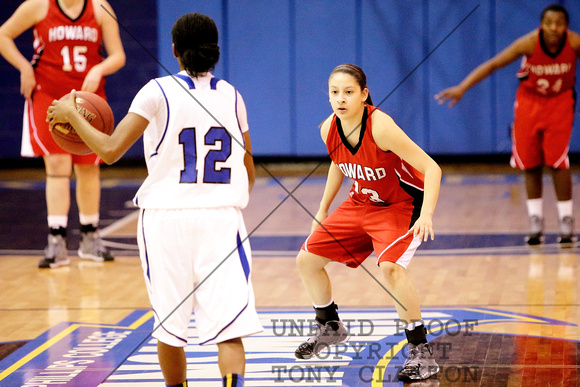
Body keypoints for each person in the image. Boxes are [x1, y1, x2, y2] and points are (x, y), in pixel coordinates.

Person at [48, 12, 262, 387]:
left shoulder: (156, 91)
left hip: (165, 222)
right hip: (221, 220)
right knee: (229, 329)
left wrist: (71, 114)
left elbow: (111, 150)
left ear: (176, 51)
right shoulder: (232, 95)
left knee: (169, 328)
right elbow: (249, 170)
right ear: (215, 51)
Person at [294, 64, 442, 382]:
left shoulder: (381, 126)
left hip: (400, 205)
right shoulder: (328, 128)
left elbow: (432, 168)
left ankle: (421, 352)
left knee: (390, 268)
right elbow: (339, 163)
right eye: (335, 92)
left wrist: (427, 213)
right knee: (307, 259)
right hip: (361, 202)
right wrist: (322, 208)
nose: (340, 99)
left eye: (348, 92)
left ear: (363, 94)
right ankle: (329, 327)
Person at [435, 4, 580, 246]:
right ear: (541, 25)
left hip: (559, 103)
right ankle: (536, 222)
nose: (553, 28)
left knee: (558, 161)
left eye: (559, 23)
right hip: (529, 103)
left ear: (566, 26)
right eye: (548, 23)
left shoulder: (574, 43)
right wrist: (462, 87)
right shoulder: (529, 43)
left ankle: (566, 222)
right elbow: (493, 64)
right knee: (530, 162)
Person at [0, 0, 125, 268]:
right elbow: (3, 35)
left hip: (87, 99)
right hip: (49, 94)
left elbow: (118, 55)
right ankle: (56, 241)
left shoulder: (99, 7)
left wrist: (99, 68)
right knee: (57, 165)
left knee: (88, 168)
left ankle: (90, 238)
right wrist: (24, 67)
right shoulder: (38, 6)